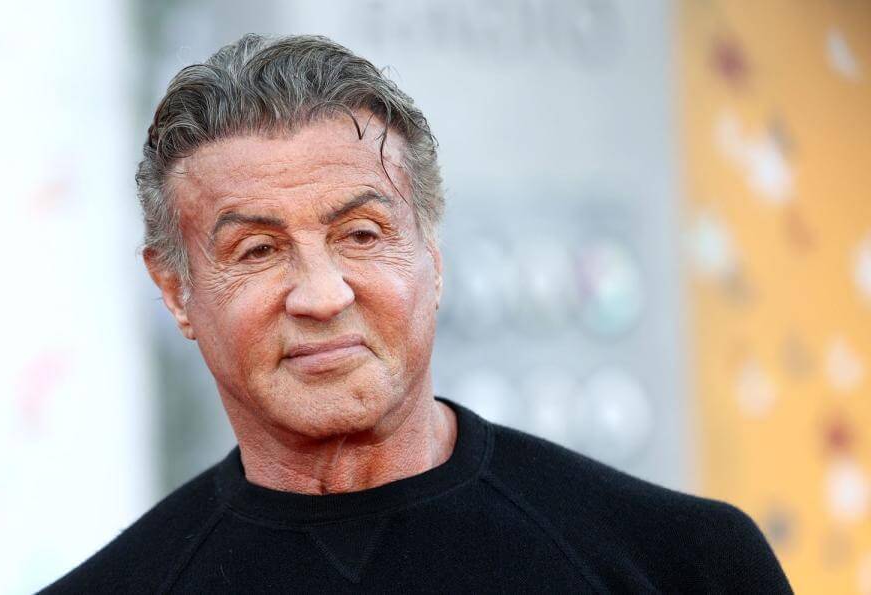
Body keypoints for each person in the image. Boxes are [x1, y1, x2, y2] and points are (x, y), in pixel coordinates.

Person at [43, 34, 792, 593]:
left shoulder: (684, 565)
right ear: (176, 290)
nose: (322, 295)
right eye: (259, 250)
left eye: (361, 235)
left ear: (432, 253)